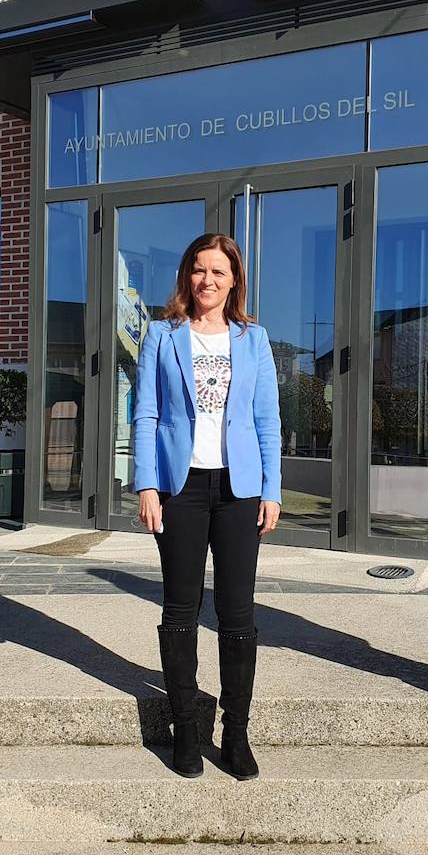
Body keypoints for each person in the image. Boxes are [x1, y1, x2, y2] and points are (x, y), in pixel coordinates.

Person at [132, 233, 282, 780]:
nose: (208, 281)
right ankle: (186, 731)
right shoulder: (161, 335)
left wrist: (272, 489)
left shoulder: (254, 338)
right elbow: (145, 413)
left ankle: (236, 732)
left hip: (240, 489)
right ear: (186, 277)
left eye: (218, 272)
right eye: (199, 270)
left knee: (238, 611)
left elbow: (267, 419)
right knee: (180, 608)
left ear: (234, 279)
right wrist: (146, 485)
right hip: (180, 487)